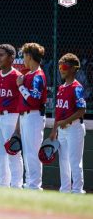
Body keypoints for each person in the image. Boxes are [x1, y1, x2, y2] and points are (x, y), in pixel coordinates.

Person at [49, 53, 86, 194]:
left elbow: (82, 110)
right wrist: (54, 130)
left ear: (73, 68)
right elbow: (59, 113)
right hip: (62, 130)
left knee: (75, 161)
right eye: (59, 66)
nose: (61, 69)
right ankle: (65, 190)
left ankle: (77, 190)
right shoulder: (61, 87)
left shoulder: (77, 87)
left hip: (74, 127)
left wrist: (66, 121)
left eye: (64, 66)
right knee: (63, 161)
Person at [14, 42, 47, 190]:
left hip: (34, 116)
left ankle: (34, 185)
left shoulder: (38, 76)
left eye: (25, 55)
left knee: (32, 152)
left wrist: (21, 86)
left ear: (30, 56)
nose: (23, 58)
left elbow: (34, 100)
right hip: (26, 116)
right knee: (27, 152)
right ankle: (29, 183)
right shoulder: (29, 74)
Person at [0, 44, 24, 188]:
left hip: (12, 116)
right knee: (0, 153)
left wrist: (19, 125)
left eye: (2, 55)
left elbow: (22, 102)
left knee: (13, 152)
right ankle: (3, 184)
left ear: (12, 58)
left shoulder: (17, 77)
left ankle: (16, 185)